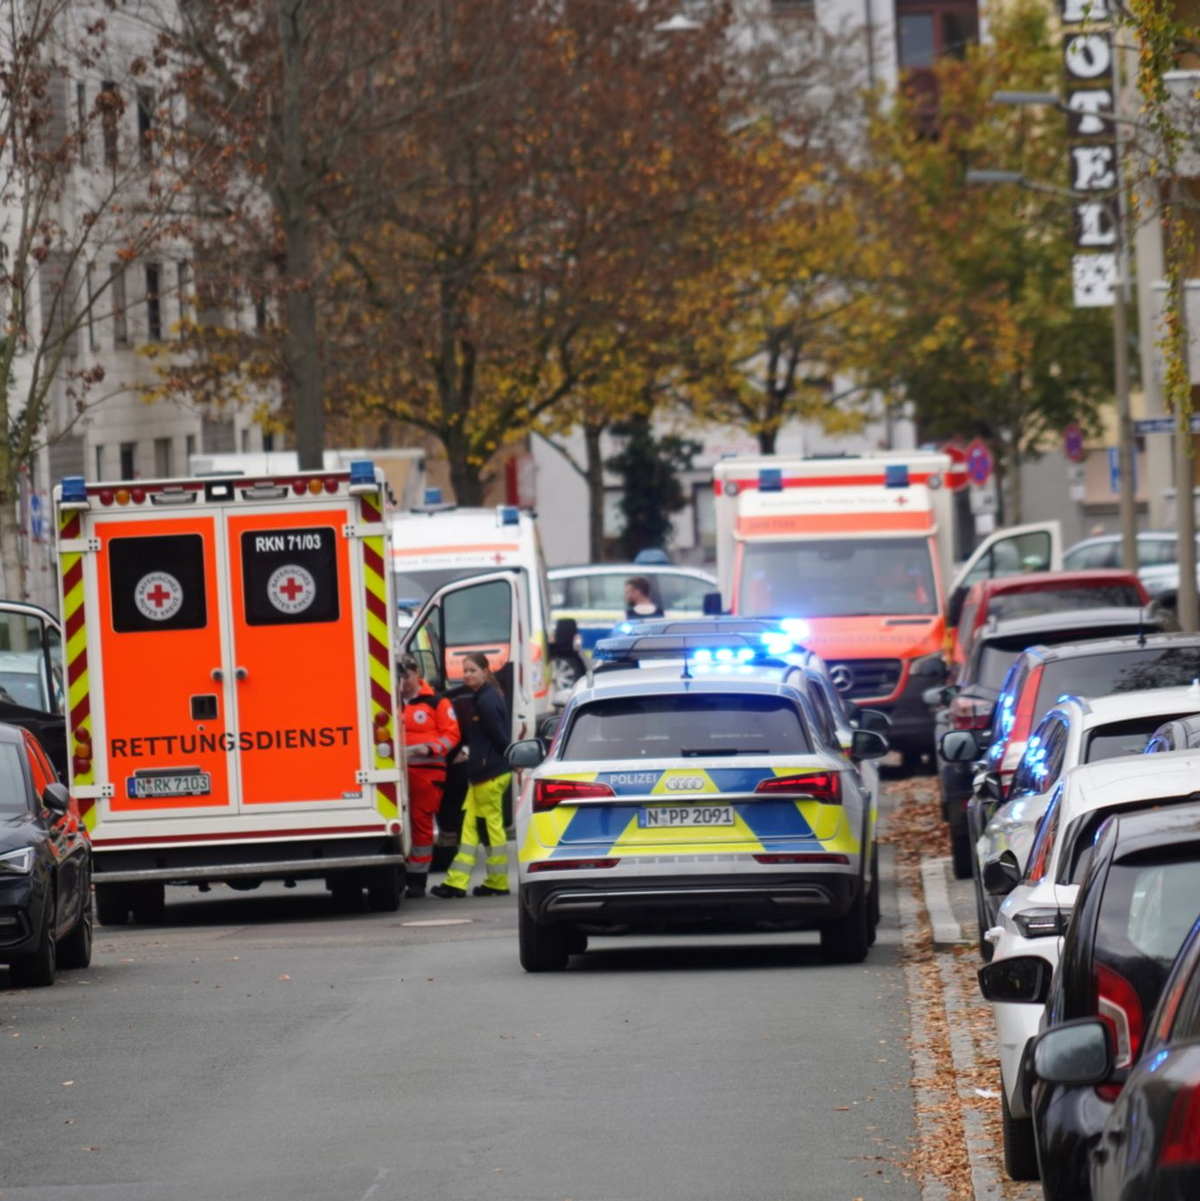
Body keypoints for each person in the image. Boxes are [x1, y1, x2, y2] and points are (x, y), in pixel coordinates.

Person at [431, 653, 513, 898]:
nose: (467, 675)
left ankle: (497, 882)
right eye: (465, 670)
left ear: (485, 671)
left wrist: (511, 759)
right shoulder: (485, 697)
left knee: (491, 829)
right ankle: (457, 883)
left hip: (489, 774)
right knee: (469, 829)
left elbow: (500, 738)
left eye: (472, 670)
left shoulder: (486, 701)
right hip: (482, 775)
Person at [399, 654, 460, 898]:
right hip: (399, 771)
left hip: (426, 771)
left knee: (421, 823)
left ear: (417, 674)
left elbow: (451, 735)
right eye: (400, 677)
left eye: (407, 676)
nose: (403, 682)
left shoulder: (436, 702)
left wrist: (431, 748)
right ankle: (402, 872)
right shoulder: (389, 699)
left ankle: (416, 879)